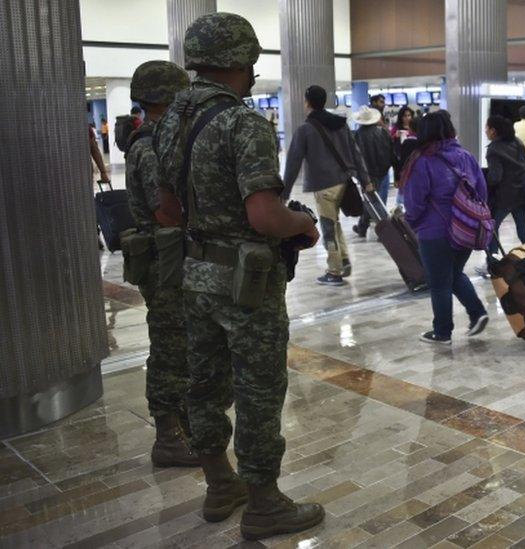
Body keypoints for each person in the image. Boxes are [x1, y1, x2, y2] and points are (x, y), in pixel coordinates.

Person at [153, 12, 323, 539]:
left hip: (195, 273)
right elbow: (264, 216)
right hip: (246, 287)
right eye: (250, 61)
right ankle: (265, 503)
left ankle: (220, 483)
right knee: (258, 390)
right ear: (238, 61)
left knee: (203, 386)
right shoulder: (241, 121)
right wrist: (305, 225)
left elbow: (165, 210)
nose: (252, 71)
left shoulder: (170, 120)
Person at [123, 60, 198, 468]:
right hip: (164, 263)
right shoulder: (151, 146)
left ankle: (183, 423)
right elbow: (166, 212)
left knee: (181, 344)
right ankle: (168, 435)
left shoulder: (156, 140)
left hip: (168, 258)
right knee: (170, 346)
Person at [402, 111, 489, 345]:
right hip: (467, 229)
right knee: (453, 274)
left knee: (439, 281)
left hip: (435, 231)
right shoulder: (466, 156)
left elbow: (414, 201)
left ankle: (442, 332)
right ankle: (477, 313)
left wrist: (412, 221)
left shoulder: (422, 161)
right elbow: (481, 192)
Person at [282, 85, 372, 286]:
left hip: (324, 186)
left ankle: (334, 270)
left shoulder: (305, 129)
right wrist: (366, 181)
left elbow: (293, 163)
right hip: (344, 182)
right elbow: (356, 154)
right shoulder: (340, 124)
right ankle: (344, 260)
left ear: (307, 102)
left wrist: (285, 192)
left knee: (328, 226)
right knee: (335, 222)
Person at [475, 115, 525, 277]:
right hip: (521, 194)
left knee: (492, 229)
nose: (486, 131)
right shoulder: (517, 143)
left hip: (503, 198)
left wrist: (482, 181)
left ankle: (493, 265)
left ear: (494, 131)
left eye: (487, 128)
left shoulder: (494, 149)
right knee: (523, 229)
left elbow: (495, 177)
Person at [351, 106, 394, 237]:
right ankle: (362, 226)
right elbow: (390, 152)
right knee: (373, 200)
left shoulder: (358, 135)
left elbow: (357, 157)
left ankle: (387, 231)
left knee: (372, 201)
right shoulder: (383, 132)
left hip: (367, 174)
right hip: (383, 171)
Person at [391, 106, 417, 211]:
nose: (407, 118)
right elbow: (390, 142)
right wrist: (394, 136)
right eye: (405, 116)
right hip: (400, 157)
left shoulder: (416, 130)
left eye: (409, 115)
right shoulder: (396, 128)